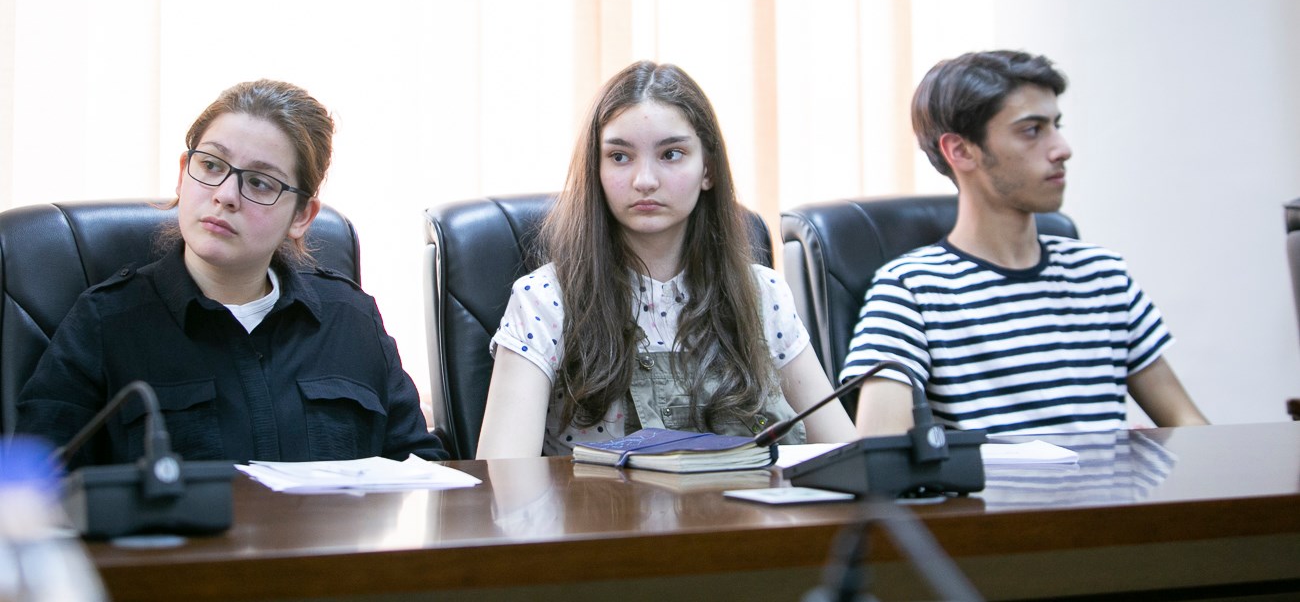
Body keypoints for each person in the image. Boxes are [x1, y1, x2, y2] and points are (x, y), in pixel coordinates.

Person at [17, 79, 446, 466]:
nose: (225, 195)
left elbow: (424, 475)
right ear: (183, 174)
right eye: (211, 166)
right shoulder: (105, 323)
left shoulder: (351, 319)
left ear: (302, 216)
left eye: (259, 182)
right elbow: (35, 493)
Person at [476, 61, 856, 458]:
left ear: (707, 170)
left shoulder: (762, 293)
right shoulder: (544, 300)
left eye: (671, 154)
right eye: (619, 156)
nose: (645, 180)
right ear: (596, 170)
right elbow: (502, 478)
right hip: (595, 502)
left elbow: (846, 455)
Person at [843, 50, 1208, 436]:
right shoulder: (911, 290)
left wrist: (1156, 454)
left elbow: (1190, 427)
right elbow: (880, 453)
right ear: (961, 151)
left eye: (1056, 125)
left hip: (1108, 480)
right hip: (992, 481)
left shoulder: (1103, 276)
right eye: (1032, 130)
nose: (1062, 148)